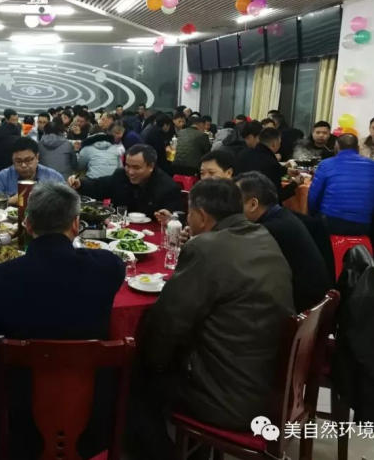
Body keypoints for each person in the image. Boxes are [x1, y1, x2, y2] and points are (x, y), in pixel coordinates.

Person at [0, 182, 126, 459]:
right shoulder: (108, 268)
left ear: (28, 225)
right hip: (93, 414)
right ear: (76, 224)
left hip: (17, 416)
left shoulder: (0, 278)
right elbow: (109, 262)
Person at [128, 180, 294, 459]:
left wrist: (150, 362)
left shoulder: (207, 248)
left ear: (202, 215)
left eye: (189, 213)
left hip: (225, 399)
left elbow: (168, 325)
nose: (187, 220)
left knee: (131, 374)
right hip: (269, 386)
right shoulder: (263, 236)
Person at [236, 172, 332, 311]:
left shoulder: (269, 230)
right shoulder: (282, 215)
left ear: (253, 204)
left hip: (301, 308)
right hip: (313, 300)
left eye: (235, 202)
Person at [69, 145, 181, 215]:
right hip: (119, 231)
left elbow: (176, 217)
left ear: (151, 166)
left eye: (136, 168)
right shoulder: (121, 175)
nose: (130, 172)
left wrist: (169, 218)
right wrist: (80, 184)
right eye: (127, 166)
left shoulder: (168, 187)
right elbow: (99, 186)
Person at [308, 134, 374, 235]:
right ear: (358, 148)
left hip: (330, 219)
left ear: (336, 147)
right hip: (363, 223)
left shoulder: (326, 164)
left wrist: (313, 214)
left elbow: (314, 197)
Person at [0, 136, 65, 202]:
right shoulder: (3, 177)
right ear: (12, 160)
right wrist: (10, 201)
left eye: (28, 160)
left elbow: (66, 202)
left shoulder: (53, 177)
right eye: (18, 161)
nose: (23, 165)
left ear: (37, 157)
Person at [235, 127, 301, 202]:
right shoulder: (271, 162)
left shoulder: (243, 154)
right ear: (274, 144)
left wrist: (285, 171)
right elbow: (277, 196)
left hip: (240, 200)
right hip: (260, 204)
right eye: (280, 143)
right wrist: (295, 184)